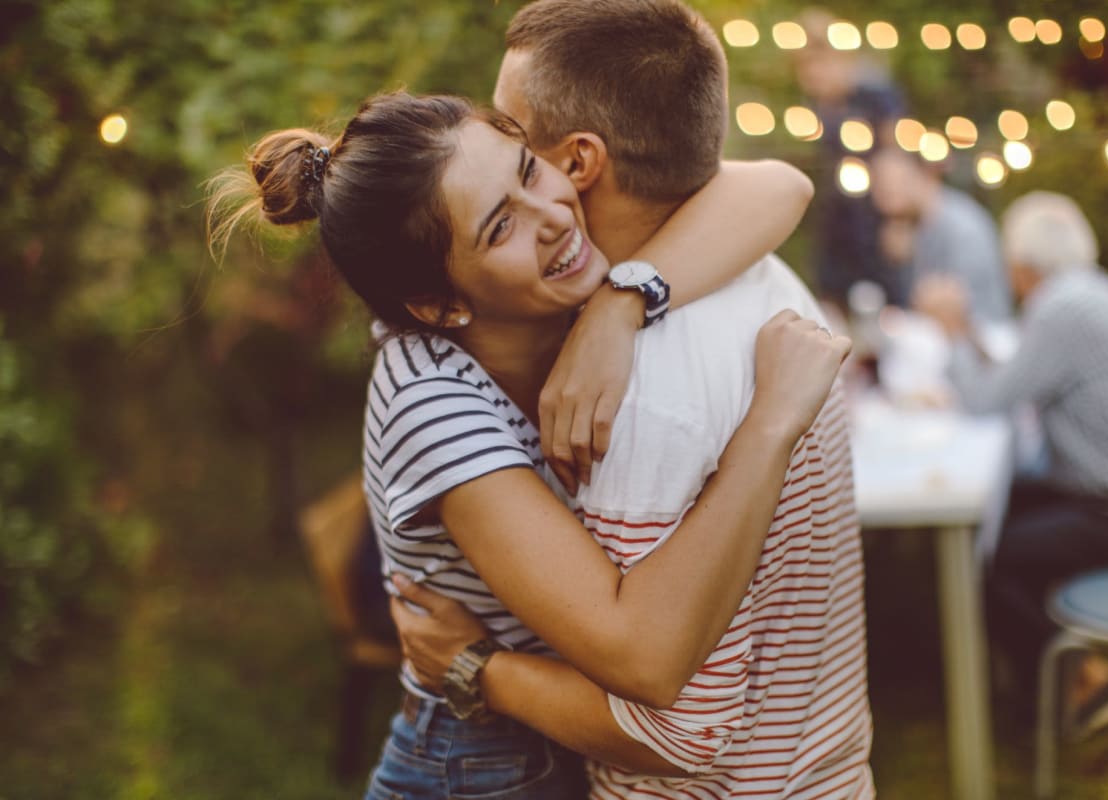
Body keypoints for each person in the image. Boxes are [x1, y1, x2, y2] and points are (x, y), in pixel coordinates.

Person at [206, 5, 850, 798]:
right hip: (477, 764)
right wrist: (770, 425)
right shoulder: (431, 403)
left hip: (567, 740)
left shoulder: (569, 293)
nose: (553, 213)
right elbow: (641, 656)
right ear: (440, 306)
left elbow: (778, 183)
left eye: (525, 167)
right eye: (499, 226)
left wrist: (622, 301)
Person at [389, 1, 874, 798]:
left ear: (577, 162)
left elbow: (676, 724)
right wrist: (621, 298)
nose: (493, 140)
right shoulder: (753, 272)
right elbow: (777, 183)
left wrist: (475, 666)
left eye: (512, 137)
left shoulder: (639, 398)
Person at [915, 191, 1108, 737]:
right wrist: (966, 332)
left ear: (1021, 266)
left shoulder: (1062, 310)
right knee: (1001, 506)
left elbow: (986, 399)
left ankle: (1084, 680)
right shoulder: (1087, 295)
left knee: (994, 558)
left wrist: (948, 331)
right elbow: (1015, 378)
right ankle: (1031, 677)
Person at [791, 7, 906, 308]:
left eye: (818, 65)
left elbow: (897, 155)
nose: (811, 76)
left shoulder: (874, 96)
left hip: (874, 215)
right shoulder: (820, 105)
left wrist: (899, 220)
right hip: (838, 215)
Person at [870, 147, 1012, 325]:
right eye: (879, 187)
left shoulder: (961, 225)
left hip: (982, 337)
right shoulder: (912, 228)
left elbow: (956, 307)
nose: (884, 198)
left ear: (925, 175)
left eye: (894, 184)